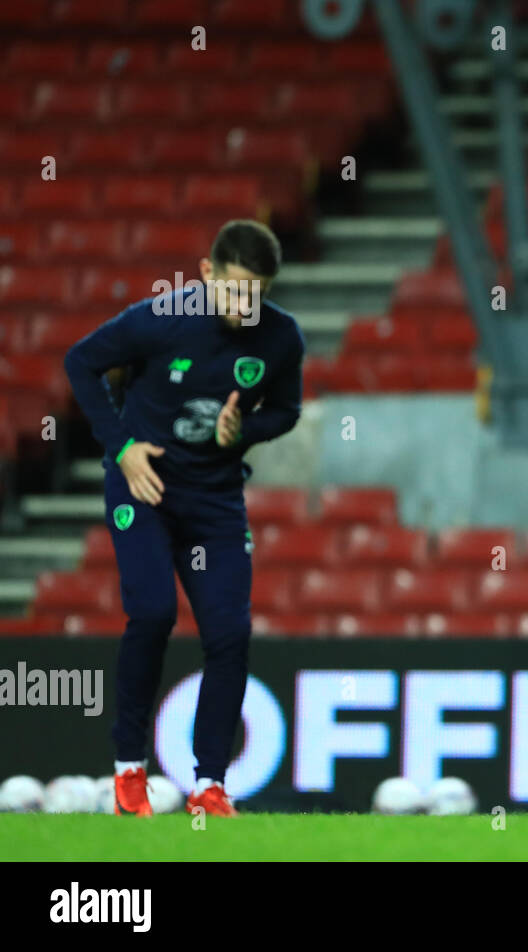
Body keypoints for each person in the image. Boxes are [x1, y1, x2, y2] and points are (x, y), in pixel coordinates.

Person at [64, 220, 305, 818]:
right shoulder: (158, 320)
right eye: (235, 291)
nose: (245, 306)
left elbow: (287, 410)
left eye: (258, 293)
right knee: (152, 612)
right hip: (143, 488)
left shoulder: (280, 339)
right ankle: (128, 773)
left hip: (216, 501)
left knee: (229, 637)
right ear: (205, 275)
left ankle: (209, 785)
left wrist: (244, 430)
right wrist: (121, 446)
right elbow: (80, 362)